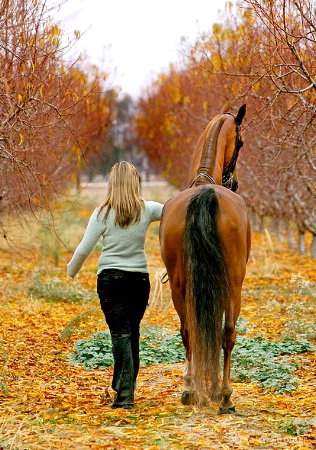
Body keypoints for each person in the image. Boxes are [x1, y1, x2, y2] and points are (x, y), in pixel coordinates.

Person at [67, 162, 164, 409]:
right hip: (138, 281)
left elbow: (83, 249)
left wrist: (71, 271)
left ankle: (124, 396)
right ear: (135, 182)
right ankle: (125, 387)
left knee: (120, 334)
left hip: (110, 281)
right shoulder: (148, 210)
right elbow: (175, 210)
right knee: (131, 334)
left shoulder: (101, 213)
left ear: (112, 183)